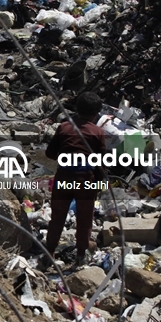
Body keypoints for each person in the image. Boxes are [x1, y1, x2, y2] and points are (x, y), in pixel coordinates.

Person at [44, 92, 108, 266]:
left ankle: (49, 254)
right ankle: (80, 256)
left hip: (64, 178)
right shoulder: (98, 132)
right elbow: (101, 163)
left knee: (57, 216)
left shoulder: (64, 127)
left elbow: (49, 153)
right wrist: (101, 182)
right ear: (96, 114)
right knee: (85, 219)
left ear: (77, 110)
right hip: (86, 180)